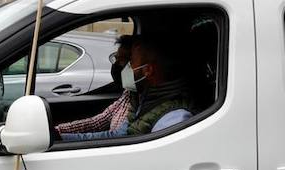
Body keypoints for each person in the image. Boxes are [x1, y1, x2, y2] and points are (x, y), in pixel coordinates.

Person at [60, 36, 191, 141]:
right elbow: (119, 135)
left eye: (131, 63)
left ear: (148, 70)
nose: (125, 68)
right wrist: (61, 137)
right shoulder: (142, 100)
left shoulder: (173, 119)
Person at [56, 35, 135, 137]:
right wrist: (59, 130)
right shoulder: (129, 94)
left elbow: (115, 136)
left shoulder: (143, 102)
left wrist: (61, 138)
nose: (116, 65)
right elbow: (99, 121)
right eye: (116, 59)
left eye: (121, 60)